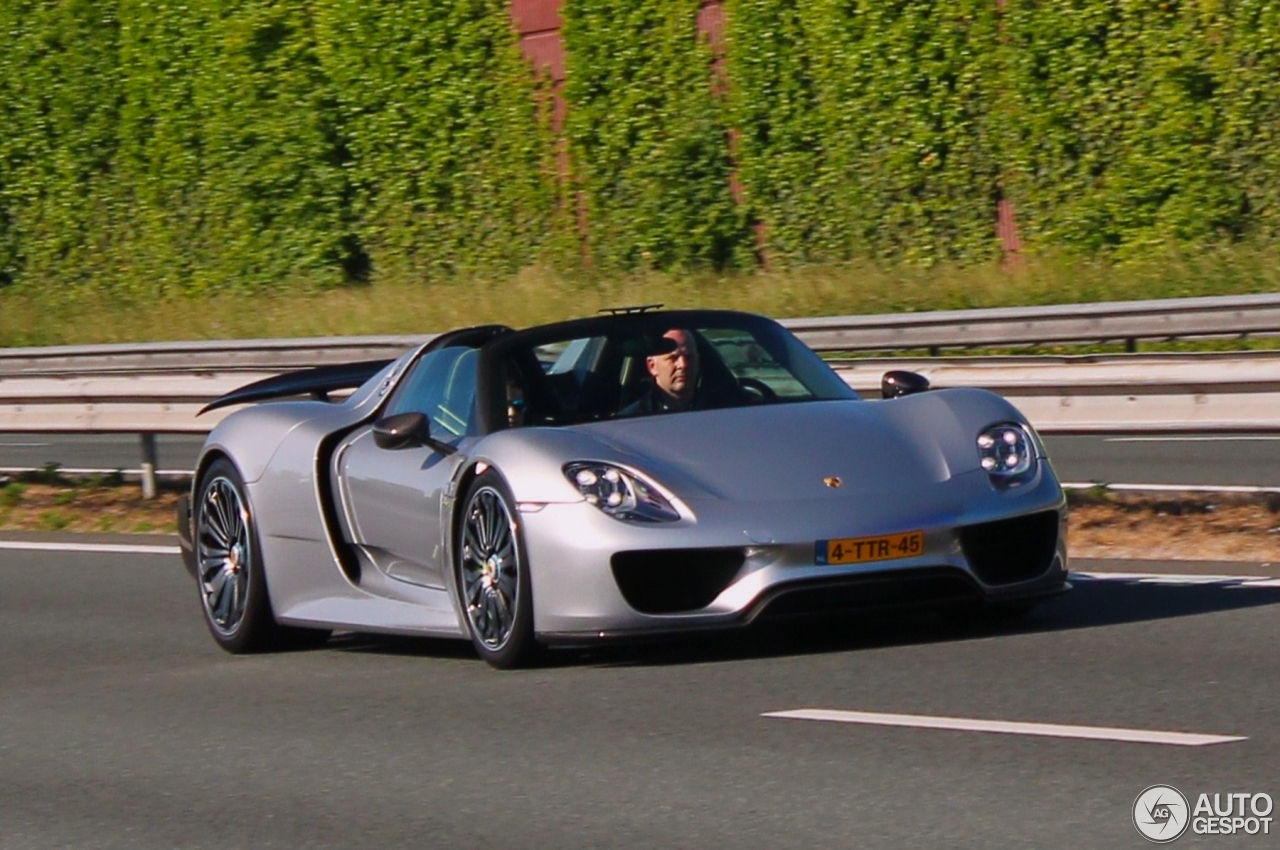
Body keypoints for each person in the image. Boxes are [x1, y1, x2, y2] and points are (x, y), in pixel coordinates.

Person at [620, 328, 702, 416]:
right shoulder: (633, 420)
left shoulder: (716, 407)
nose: (683, 365)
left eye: (689, 357)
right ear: (652, 366)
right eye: (673, 358)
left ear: (698, 361)